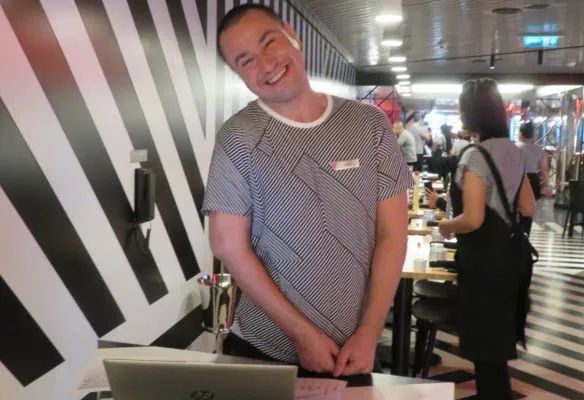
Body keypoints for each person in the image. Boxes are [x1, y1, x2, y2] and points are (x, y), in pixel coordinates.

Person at [203, 4, 414, 377]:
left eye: (269, 43)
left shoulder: (369, 124)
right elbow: (227, 245)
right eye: (246, 61)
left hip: (355, 349)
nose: (266, 65)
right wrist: (302, 334)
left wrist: (369, 332)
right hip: (262, 347)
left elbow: (393, 234)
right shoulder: (238, 137)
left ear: (291, 35)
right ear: (239, 74)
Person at [438, 78, 536, 399]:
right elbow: (527, 206)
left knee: (485, 346)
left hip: (483, 266)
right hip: (510, 262)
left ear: (471, 112)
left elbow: (473, 218)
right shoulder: (514, 151)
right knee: (496, 345)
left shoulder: (475, 156)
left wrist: (445, 226)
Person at [516, 121, 550, 199]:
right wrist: (546, 185)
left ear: (520, 133)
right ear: (532, 135)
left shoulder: (514, 147)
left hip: (519, 180)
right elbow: (544, 170)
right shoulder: (539, 150)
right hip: (534, 181)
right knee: (532, 207)